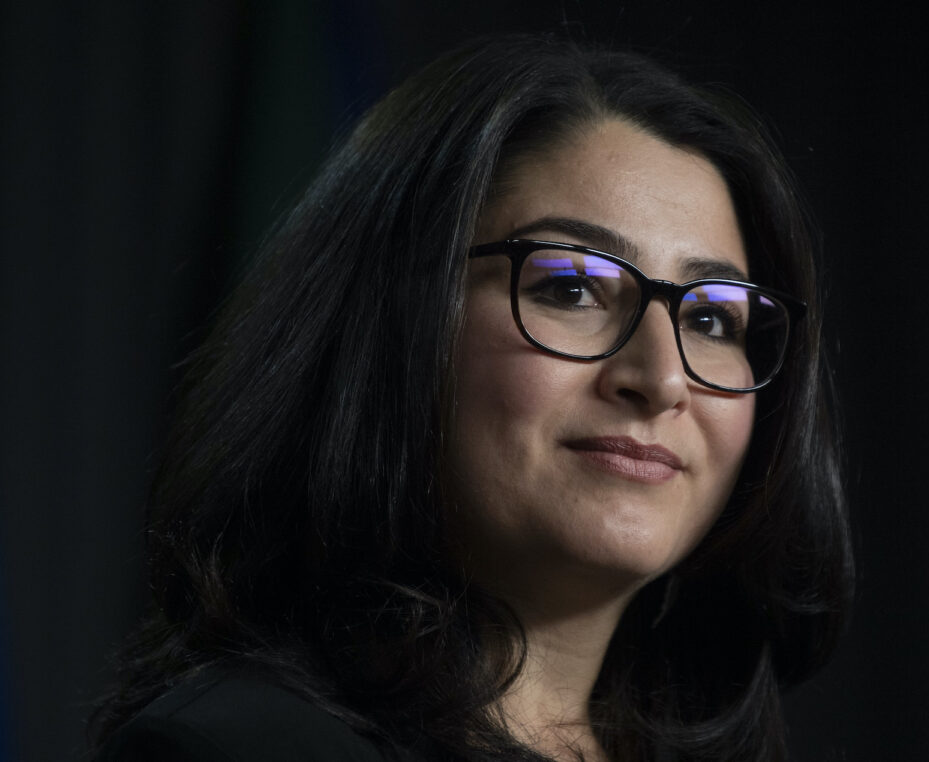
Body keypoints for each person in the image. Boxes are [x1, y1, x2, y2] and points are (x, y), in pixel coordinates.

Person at [91, 32, 853, 762]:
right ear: (397, 323)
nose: (660, 380)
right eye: (572, 288)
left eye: (712, 319)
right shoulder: (230, 750)